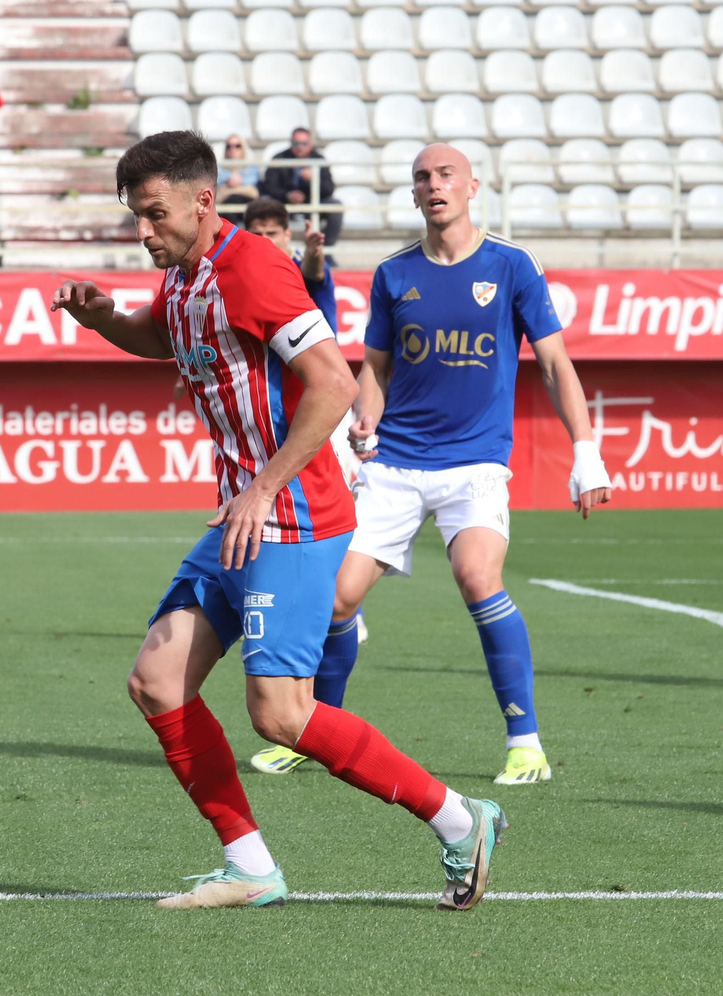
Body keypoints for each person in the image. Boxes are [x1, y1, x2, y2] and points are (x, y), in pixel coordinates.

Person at [49, 130, 506, 912]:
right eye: (135, 217)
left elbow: (333, 383)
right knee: (157, 683)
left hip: (290, 513)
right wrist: (105, 322)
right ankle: (251, 866)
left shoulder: (253, 266)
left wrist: (262, 487)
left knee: (281, 715)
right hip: (242, 514)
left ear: (202, 201)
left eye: (154, 215)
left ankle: (462, 820)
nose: (143, 232)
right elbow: (162, 338)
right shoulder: (186, 277)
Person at [328, 143, 612, 786]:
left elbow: (554, 363)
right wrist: (360, 423)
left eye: (445, 174)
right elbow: (374, 368)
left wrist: (587, 451)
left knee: (478, 577)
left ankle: (525, 741)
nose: (434, 185)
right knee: (336, 601)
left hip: (475, 462)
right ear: (414, 193)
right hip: (395, 461)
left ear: (471, 186)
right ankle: (318, 728)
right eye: (422, 177)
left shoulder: (512, 264)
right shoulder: (394, 273)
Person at [236, 196, 371, 776]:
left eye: (275, 231)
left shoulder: (296, 274)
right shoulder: (245, 280)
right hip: (284, 437)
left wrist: (314, 256)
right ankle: (307, 724)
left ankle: (305, 725)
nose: (267, 239)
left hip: (320, 433)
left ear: (289, 234)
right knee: (338, 602)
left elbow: (315, 278)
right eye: (257, 230)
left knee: (334, 594)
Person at [260, 127, 341, 247]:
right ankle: (266, 248)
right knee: (263, 203)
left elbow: (329, 189)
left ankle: (326, 250)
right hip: (282, 203)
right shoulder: (279, 158)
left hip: (310, 202)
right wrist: (287, 195)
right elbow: (269, 186)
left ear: (311, 144)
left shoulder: (319, 159)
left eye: (304, 143)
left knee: (335, 206)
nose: (300, 147)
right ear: (291, 143)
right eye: (296, 143)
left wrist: (314, 180)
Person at [217, 135, 260, 209]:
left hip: (247, 204)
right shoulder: (218, 170)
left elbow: (255, 193)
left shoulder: (252, 168)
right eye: (228, 146)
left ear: (243, 148)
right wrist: (243, 188)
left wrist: (227, 188)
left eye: (237, 146)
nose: (232, 149)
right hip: (226, 206)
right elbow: (217, 197)